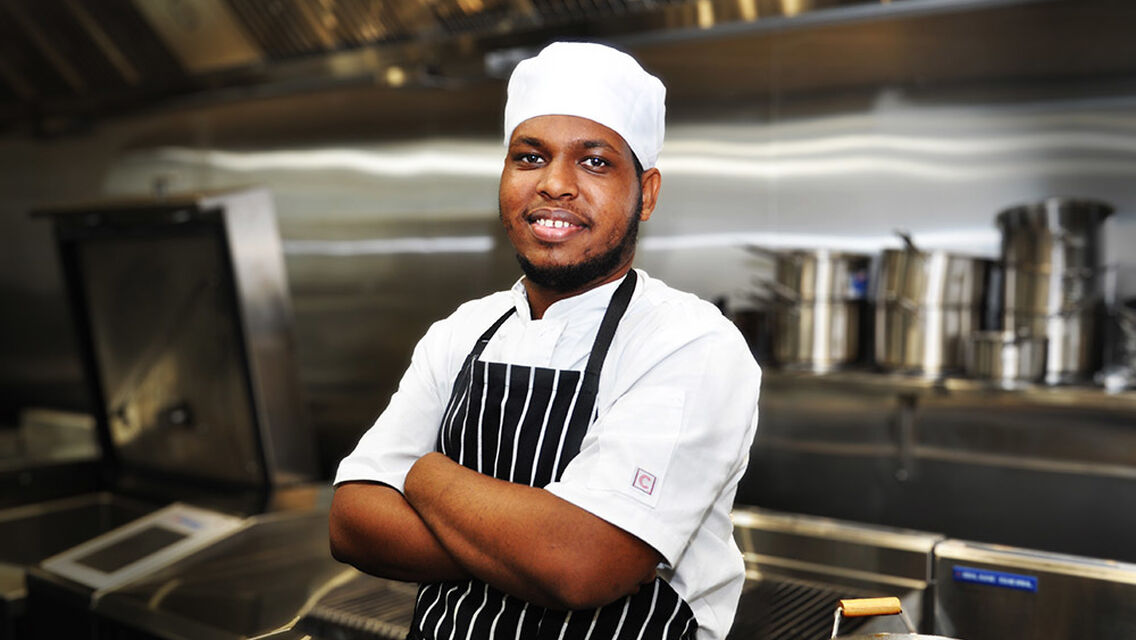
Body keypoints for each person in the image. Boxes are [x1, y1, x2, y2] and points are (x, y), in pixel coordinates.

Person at [329, 41, 762, 640]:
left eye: (595, 162)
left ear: (648, 193)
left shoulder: (689, 343)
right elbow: (352, 522)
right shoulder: (461, 331)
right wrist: (536, 552)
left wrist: (425, 476)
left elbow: (582, 565)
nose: (555, 184)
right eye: (530, 158)